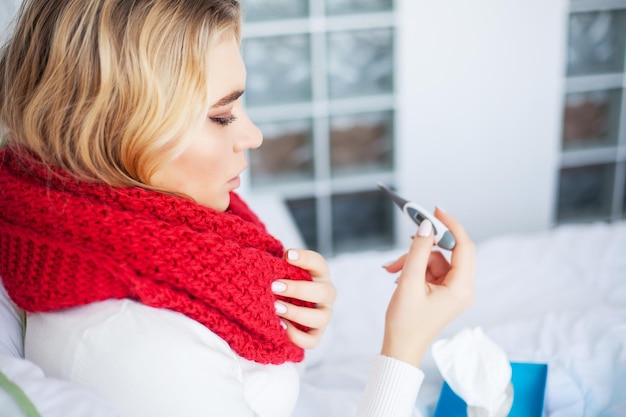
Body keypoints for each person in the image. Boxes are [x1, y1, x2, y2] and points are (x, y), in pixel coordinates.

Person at [0, 1, 475, 416]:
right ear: (113, 131)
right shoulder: (139, 353)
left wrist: (300, 312)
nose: (253, 136)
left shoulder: (162, 231)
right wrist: (405, 346)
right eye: (221, 115)